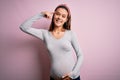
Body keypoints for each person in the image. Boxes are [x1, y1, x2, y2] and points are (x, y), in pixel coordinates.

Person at [19, 4, 83, 80]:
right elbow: (23, 27)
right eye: (57, 14)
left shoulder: (70, 34)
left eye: (63, 16)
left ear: (66, 19)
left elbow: (80, 55)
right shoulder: (44, 34)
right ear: (53, 15)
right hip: (54, 78)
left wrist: (73, 74)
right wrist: (41, 14)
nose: (59, 17)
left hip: (73, 78)